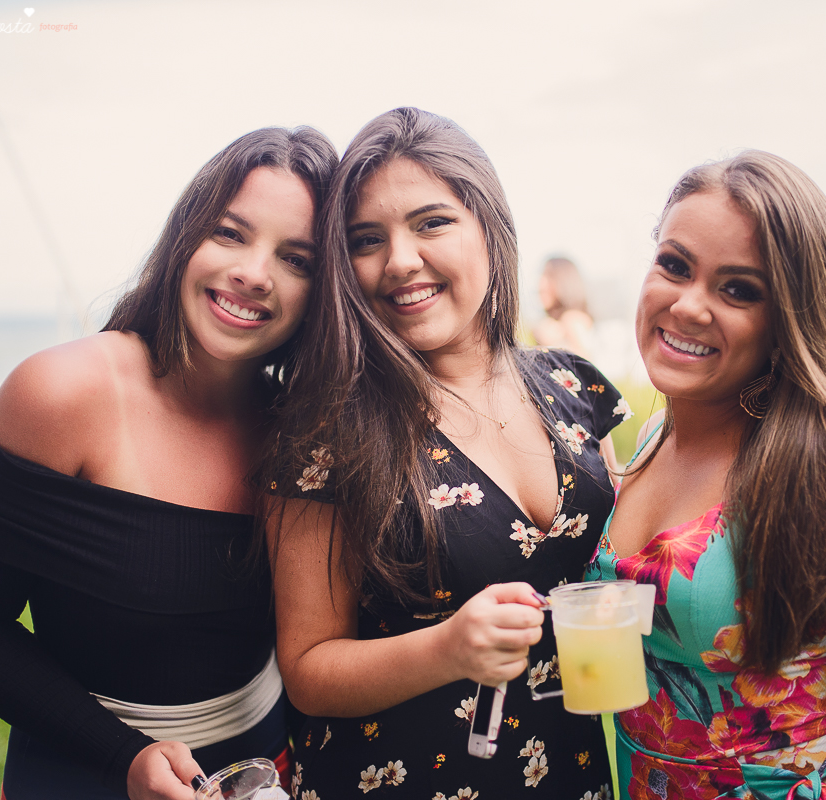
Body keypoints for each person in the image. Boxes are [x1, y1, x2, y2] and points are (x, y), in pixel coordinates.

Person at [0, 127, 338, 800]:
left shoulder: (303, 428)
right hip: (83, 769)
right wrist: (123, 755)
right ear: (185, 237)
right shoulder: (59, 395)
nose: (254, 273)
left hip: (266, 772)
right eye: (231, 234)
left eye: (296, 259)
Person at [263, 107, 630, 798]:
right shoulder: (325, 428)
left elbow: (617, 563)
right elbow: (309, 670)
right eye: (367, 239)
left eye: (431, 222)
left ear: (489, 228)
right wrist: (448, 648)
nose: (401, 260)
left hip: (571, 769)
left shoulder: (574, 387)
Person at [586, 151, 826, 799]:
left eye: (738, 290)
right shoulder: (648, 441)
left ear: (789, 319)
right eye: (674, 265)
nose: (689, 305)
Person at [533, 256, 595, 357]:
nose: (541, 284)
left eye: (548, 276)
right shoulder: (557, 323)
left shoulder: (572, 319)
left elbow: (585, 364)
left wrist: (550, 344)